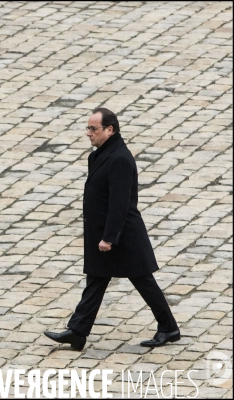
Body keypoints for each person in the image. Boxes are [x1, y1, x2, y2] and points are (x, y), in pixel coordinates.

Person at [44, 108, 180, 351]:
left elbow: (120, 203)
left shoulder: (119, 159)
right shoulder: (100, 155)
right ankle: (77, 331)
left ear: (110, 130)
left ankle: (169, 327)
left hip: (123, 236)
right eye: (88, 128)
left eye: (93, 129)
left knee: (143, 281)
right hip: (105, 233)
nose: (88, 133)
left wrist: (109, 237)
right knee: (95, 281)